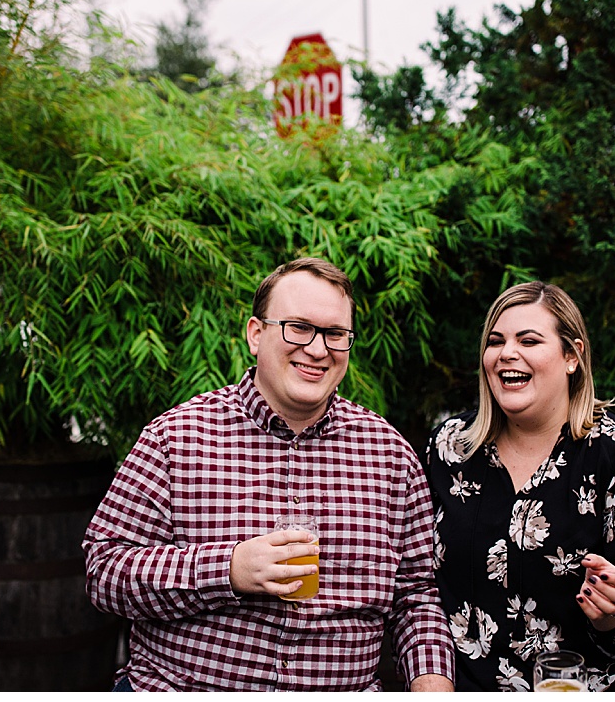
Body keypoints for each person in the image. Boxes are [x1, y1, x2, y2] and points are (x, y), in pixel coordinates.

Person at [83, 257, 455, 692]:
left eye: (335, 334)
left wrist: (432, 684)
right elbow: (104, 570)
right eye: (298, 327)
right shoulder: (177, 438)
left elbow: (416, 595)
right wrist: (228, 569)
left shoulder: (389, 456)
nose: (318, 349)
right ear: (256, 334)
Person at [423, 281, 615, 691]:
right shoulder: (451, 449)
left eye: (529, 340)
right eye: (496, 341)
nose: (507, 353)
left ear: (571, 356)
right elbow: (419, 584)